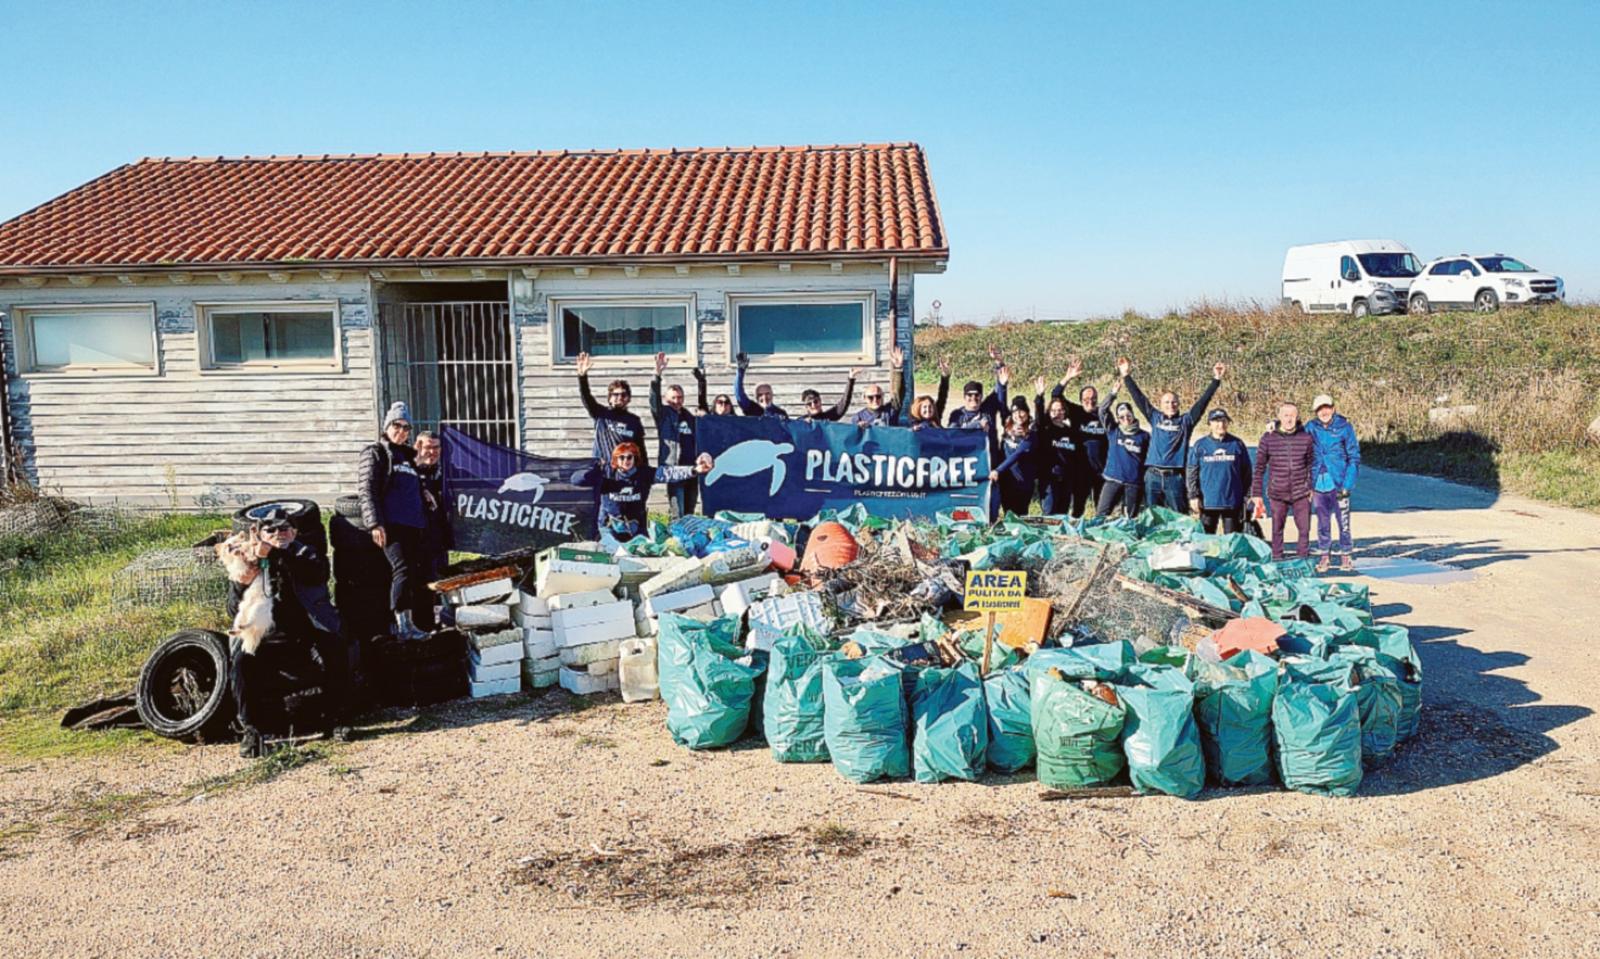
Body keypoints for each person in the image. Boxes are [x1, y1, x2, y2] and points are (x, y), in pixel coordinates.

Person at [226, 508, 348, 758]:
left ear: (294, 532)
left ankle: (337, 719)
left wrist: (275, 554)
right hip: (265, 638)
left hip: (304, 635)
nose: (278, 533)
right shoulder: (246, 559)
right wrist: (247, 574)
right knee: (240, 663)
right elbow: (232, 608)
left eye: (284, 529)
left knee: (335, 648)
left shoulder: (305, 552)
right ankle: (252, 730)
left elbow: (316, 574)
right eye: (270, 530)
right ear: (259, 533)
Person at [357, 402, 430, 640]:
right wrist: (375, 524)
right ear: (387, 426)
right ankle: (400, 625)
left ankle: (410, 623)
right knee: (402, 570)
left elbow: (411, 483)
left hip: (414, 525)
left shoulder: (407, 457)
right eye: (397, 425)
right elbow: (367, 489)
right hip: (392, 524)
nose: (402, 431)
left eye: (406, 427)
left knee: (412, 574)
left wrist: (424, 491)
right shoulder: (376, 452)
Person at [1120, 357, 1225, 513]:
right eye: (1167, 402)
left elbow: (1202, 403)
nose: (1171, 405)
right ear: (1161, 405)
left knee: (1179, 517)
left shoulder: (1186, 421)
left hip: (1174, 477)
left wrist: (1216, 380)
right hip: (1152, 476)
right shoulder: (1155, 417)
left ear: (1179, 404)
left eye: (1174, 402)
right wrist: (1126, 375)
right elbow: (1139, 399)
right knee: (1152, 517)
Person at [575, 442, 713, 541]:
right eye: (621, 457)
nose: (626, 461)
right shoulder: (606, 473)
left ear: (635, 458)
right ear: (616, 459)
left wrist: (694, 470)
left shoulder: (645, 473)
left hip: (636, 529)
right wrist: (595, 469)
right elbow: (577, 480)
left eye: (629, 457)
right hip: (608, 528)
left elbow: (669, 473)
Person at [1251, 402, 1317, 561]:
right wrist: (1256, 494)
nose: (1289, 419)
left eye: (1292, 416)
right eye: (1286, 415)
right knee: (1277, 528)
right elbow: (1259, 468)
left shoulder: (1306, 438)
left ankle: (1302, 559)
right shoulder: (1268, 438)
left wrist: (1311, 487)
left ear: (1298, 417)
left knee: (1304, 529)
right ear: (1279, 417)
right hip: (1277, 492)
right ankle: (1277, 558)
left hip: (1301, 492)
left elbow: (1312, 464)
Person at [649, 352, 710, 519]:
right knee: (678, 511)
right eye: (673, 398)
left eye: (680, 397)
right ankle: (676, 541)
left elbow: (704, 417)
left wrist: (702, 383)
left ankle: (688, 540)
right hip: (673, 469)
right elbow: (653, 400)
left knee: (689, 512)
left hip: (691, 468)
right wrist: (657, 375)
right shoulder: (663, 415)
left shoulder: (689, 417)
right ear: (666, 399)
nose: (677, 401)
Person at [1306, 394, 1362, 572]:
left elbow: (1354, 457)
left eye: (1327, 407)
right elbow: (1294, 437)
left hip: (1339, 482)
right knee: (1322, 523)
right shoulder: (1310, 427)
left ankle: (1346, 556)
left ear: (1333, 408)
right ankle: (1324, 556)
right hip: (1318, 482)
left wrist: (1347, 484)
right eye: (1320, 409)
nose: (1324, 412)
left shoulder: (1344, 427)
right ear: (1316, 412)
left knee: (1343, 523)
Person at [576, 352, 649, 469]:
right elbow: (586, 397)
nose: (619, 398)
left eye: (623, 395)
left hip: (624, 473)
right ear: (609, 398)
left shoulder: (634, 421)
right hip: (602, 471)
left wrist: (644, 478)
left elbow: (641, 451)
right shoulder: (601, 414)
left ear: (629, 398)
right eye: (615, 394)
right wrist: (582, 376)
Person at [1185, 410, 1252, 534]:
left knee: (1232, 541)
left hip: (1232, 502)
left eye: (1224, 421)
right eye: (1216, 421)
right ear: (1209, 424)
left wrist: (1247, 496)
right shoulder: (1201, 445)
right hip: (1208, 502)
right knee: (1206, 541)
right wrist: (1193, 496)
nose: (1220, 425)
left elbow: (1247, 472)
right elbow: (1191, 473)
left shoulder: (1237, 444)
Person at [1033, 373, 1090, 517]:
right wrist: (1040, 397)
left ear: (1065, 412)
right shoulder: (1045, 429)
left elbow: (1077, 457)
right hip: (1049, 479)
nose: (1057, 413)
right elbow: (1039, 417)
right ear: (1049, 412)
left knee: (1062, 514)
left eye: (1060, 410)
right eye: (1054, 410)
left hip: (1067, 479)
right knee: (1050, 513)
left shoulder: (1071, 432)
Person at [1066, 368, 1120, 509]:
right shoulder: (1076, 412)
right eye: (1086, 399)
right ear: (1080, 400)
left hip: (1101, 470)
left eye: (1093, 398)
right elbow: (1056, 395)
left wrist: (1113, 394)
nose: (1090, 401)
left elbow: (1114, 436)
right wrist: (1068, 377)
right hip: (1081, 469)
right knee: (1078, 507)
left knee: (1101, 508)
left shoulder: (1103, 415)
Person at [948, 345, 1009, 460]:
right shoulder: (957, 415)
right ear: (964, 397)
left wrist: (999, 363)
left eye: (977, 395)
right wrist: (976, 425)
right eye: (969, 395)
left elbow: (999, 387)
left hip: (990, 462)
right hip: (967, 462)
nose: (973, 398)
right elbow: (952, 435)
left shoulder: (988, 409)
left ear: (981, 396)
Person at [412, 430, 451, 594]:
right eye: (428, 447)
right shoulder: (408, 471)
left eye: (436, 447)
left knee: (441, 577)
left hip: (439, 535)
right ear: (418, 447)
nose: (432, 452)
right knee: (420, 580)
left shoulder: (444, 472)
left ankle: (439, 612)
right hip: (417, 535)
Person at [1097, 402, 1150, 519]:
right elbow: (1102, 410)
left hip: (1133, 483)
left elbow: (1148, 459)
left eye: (1128, 415)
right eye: (1121, 417)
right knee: (1101, 514)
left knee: (1130, 518)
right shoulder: (1113, 431)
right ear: (1118, 418)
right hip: (1113, 479)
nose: (1125, 419)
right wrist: (1113, 393)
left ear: (1133, 415)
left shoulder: (1144, 436)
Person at [989, 406, 1037, 518]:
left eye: (1022, 411)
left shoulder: (1032, 433)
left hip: (1023, 483)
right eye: (1016, 412)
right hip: (1007, 482)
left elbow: (1017, 454)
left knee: (1020, 517)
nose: (1019, 415)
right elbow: (1002, 403)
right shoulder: (1007, 426)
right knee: (1008, 515)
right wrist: (1002, 387)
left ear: (1027, 413)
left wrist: (998, 470)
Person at [900, 355, 951, 430]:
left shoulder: (936, 419)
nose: (928, 410)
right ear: (918, 409)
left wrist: (945, 377)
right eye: (924, 407)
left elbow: (942, 396)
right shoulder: (912, 423)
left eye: (930, 407)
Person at [733, 352, 788, 418]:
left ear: (772, 394)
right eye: (760, 395)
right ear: (756, 397)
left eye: (767, 393)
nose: (764, 397)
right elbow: (739, 395)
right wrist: (741, 370)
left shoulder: (780, 413)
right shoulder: (751, 408)